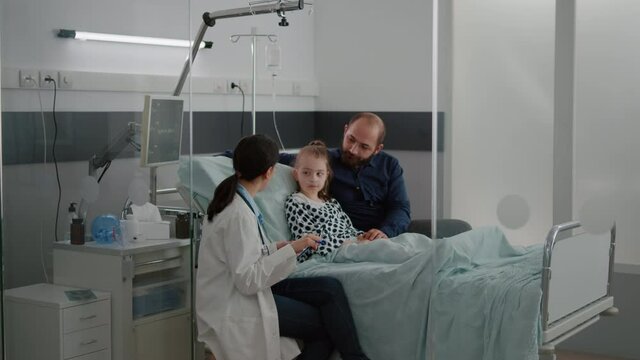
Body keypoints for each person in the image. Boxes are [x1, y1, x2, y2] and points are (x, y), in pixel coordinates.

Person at [196, 134, 369, 360]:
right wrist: (293, 250)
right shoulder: (238, 213)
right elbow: (247, 279)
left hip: (247, 286)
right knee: (325, 327)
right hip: (236, 303)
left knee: (330, 288)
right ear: (269, 172)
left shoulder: (239, 202)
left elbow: (242, 253)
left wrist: (276, 247)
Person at [281, 112, 411, 240]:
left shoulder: (389, 165)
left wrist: (385, 232)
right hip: (347, 241)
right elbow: (281, 157)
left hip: (384, 239)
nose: (353, 150)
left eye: (364, 147)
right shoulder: (323, 160)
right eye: (351, 139)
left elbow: (400, 208)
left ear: (377, 149)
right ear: (345, 131)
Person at [286, 140, 381, 263]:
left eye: (319, 173)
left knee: (399, 243)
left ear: (326, 176)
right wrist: (350, 242)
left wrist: (363, 236)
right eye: (306, 173)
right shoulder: (296, 202)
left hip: (353, 244)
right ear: (296, 174)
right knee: (383, 252)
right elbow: (306, 242)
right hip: (331, 252)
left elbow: (348, 228)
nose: (313, 179)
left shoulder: (331, 203)